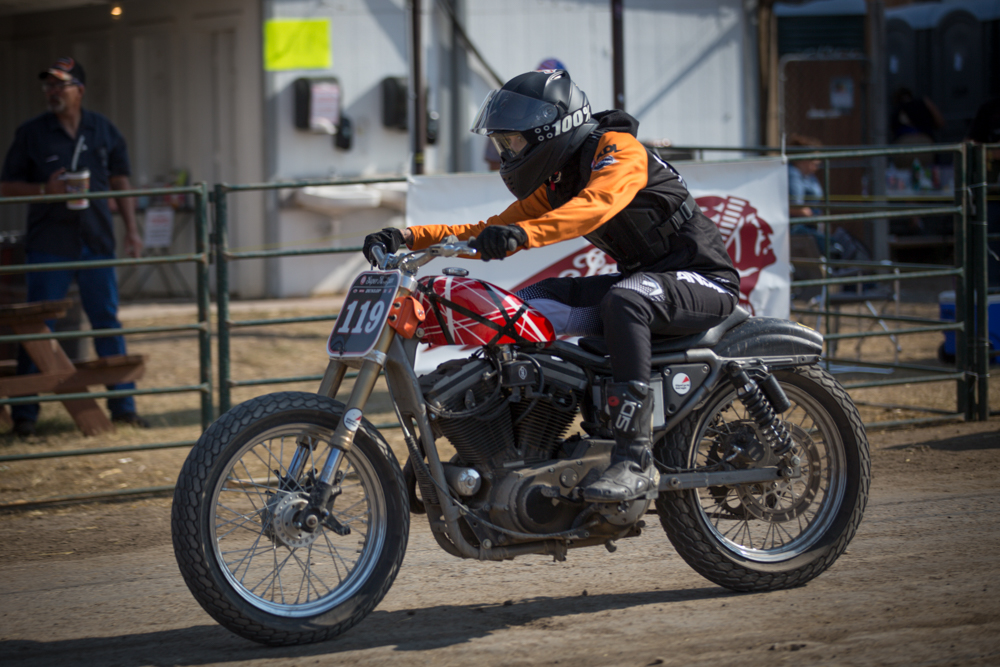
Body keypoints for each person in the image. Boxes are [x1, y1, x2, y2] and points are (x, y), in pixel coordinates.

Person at [365, 69, 739, 502]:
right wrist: (408, 237)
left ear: (552, 129)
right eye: (502, 144)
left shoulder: (619, 150)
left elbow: (595, 206)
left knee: (626, 301)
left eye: (513, 142)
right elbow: (487, 226)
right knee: (525, 302)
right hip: (644, 281)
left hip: (703, 280)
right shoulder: (561, 181)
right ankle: (517, 449)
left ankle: (634, 458)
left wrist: (524, 236)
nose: (507, 153)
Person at [0, 57, 148, 436]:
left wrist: (132, 230)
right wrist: (44, 190)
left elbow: (121, 181)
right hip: (50, 243)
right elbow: (7, 186)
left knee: (106, 318)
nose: (52, 92)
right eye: (48, 85)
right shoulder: (32, 133)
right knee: (38, 328)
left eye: (60, 85)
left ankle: (123, 408)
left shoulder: (104, 130)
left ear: (78, 90)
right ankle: (25, 417)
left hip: (96, 239)